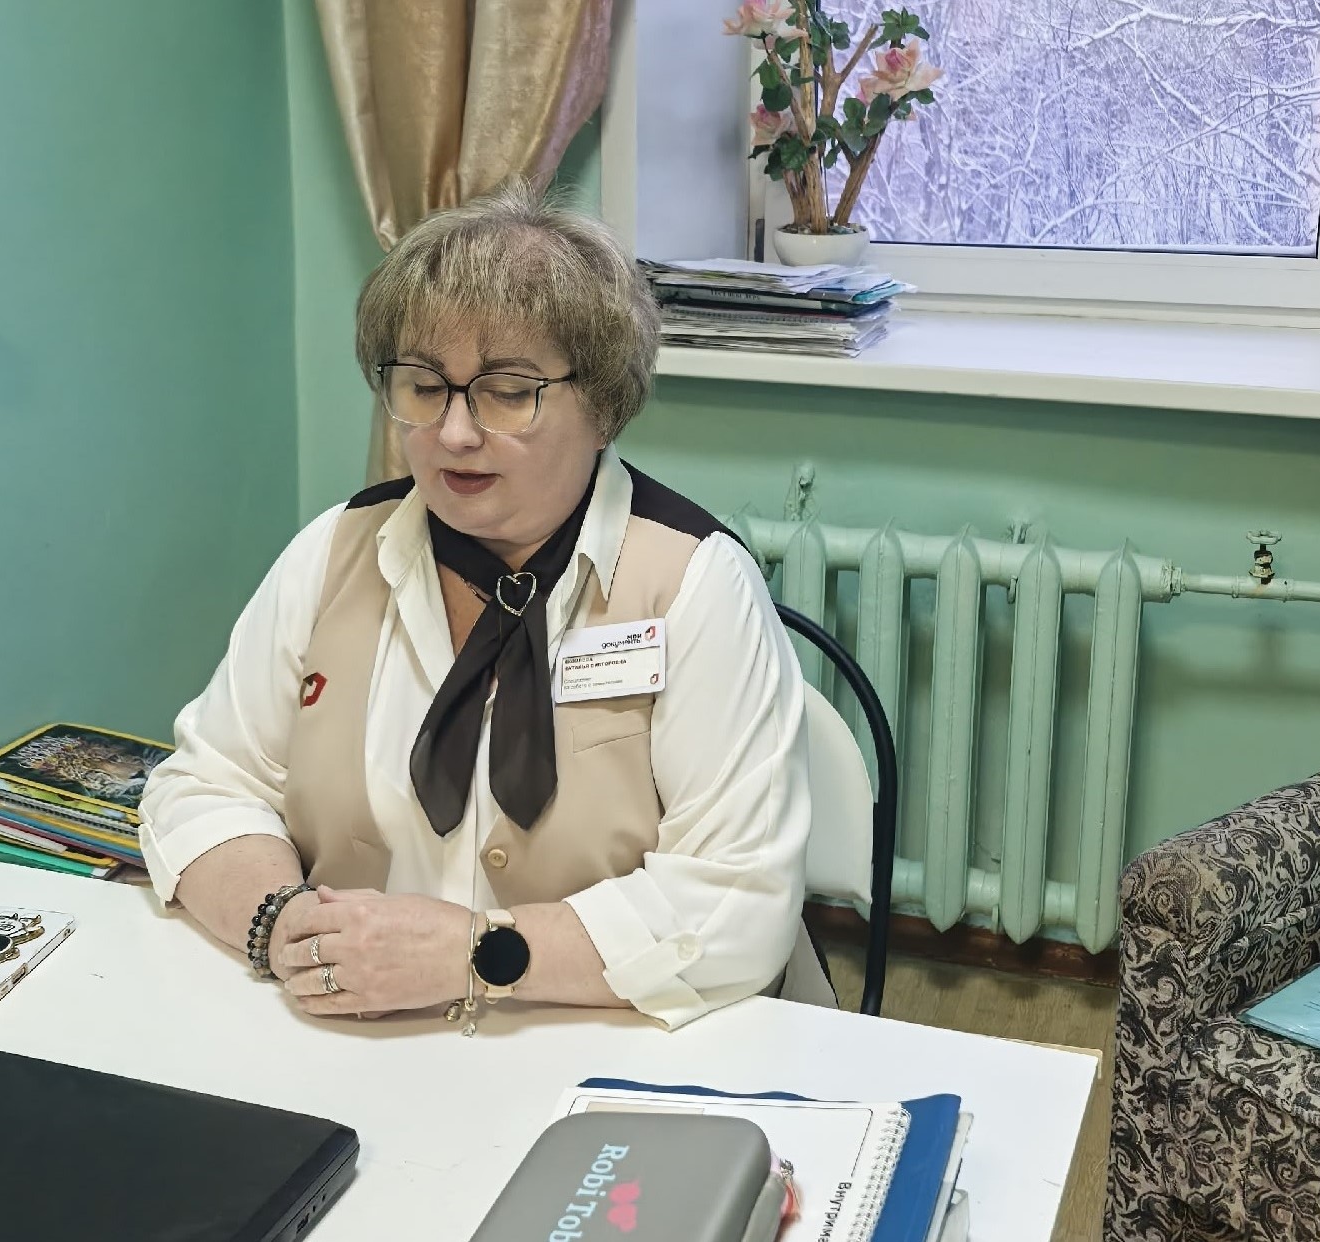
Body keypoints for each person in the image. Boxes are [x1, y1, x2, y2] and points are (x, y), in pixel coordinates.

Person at [139, 180, 825, 1031]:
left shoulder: (696, 585)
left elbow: (739, 905)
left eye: (507, 390)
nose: (455, 434)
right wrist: (282, 924)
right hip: (351, 1035)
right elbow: (204, 784)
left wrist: (476, 953)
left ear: (604, 405)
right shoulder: (333, 553)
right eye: (425, 386)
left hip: (604, 1038)